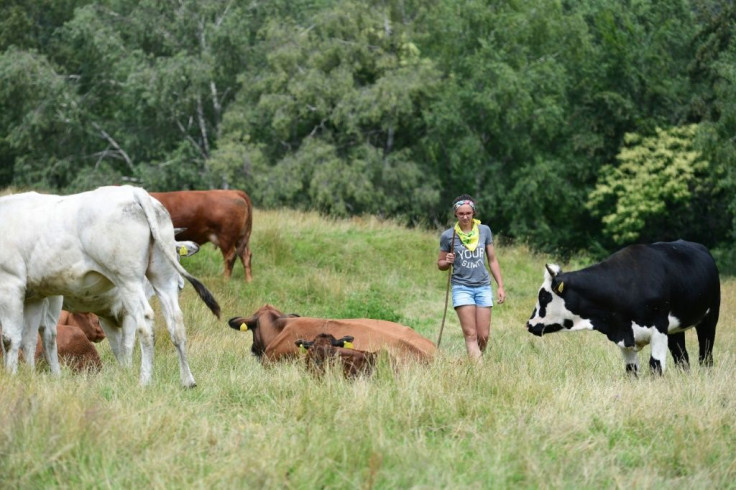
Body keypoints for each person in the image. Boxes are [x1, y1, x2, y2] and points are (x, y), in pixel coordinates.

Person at [437, 194, 506, 360]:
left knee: (483, 336)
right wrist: (447, 262)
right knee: (470, 334)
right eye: (461, 214)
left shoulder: (484, 231)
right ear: (456, 214)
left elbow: (492, 260)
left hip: (483, 286)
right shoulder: (449, 236)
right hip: (462, 287)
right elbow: (440, 264)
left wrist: (500, 285)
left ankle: (473, 360)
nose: (465, 217)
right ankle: (479, 371)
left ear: (473, 213)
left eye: (468, 213)